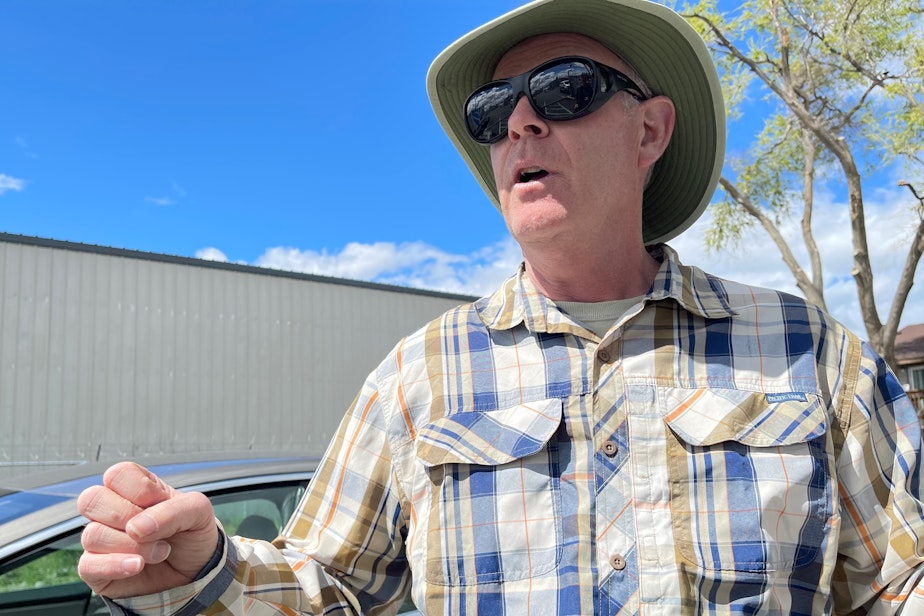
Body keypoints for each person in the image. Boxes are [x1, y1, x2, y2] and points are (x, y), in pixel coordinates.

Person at [77, 0, 924, 613]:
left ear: (650, 131)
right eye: (494, 109)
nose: (520, 120)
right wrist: (202, 571)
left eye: (564, 89)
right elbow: (328, 587)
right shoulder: (418, 376)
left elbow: (900, 579)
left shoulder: (807, 350)